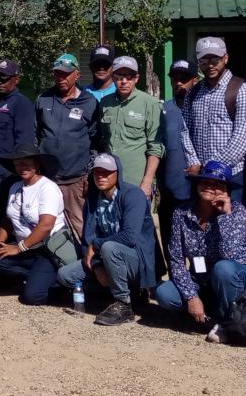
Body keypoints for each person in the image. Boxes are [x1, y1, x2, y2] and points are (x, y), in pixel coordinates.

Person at [155, 161, 246, 342]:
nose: (210, 187)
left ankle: (231, 321)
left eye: (217, 184)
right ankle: (208, 316)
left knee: (223, 269)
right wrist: (191, 297)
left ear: (226, 191)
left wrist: (224, 216)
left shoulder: (236, 212)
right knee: (165, 293)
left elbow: (231, 255)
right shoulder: (181, 213)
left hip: (240, 279)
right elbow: (176, 259)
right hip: (204, 280)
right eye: (205, 182)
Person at [58, 154, 159, 326]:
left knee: (110, 247)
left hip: (137, 259)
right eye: (97, 173)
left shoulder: (133, 195)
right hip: (105, 258)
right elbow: (87, 239)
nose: (101, 177)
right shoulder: (93, 199)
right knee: (65, 275)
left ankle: (124, 304)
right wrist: (96, 266)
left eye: (106, 172)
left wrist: (97, 245)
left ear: (117, 173)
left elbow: (129, 237)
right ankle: (117, 294)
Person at [0, 143, 76, 306]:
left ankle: (57, 284)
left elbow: (46, 225)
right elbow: (8, 218)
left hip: (47, 249)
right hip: (26, 250)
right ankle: (32, 278)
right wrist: (1, 239)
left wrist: (19, 247)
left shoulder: (47, 188)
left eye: (27, 162)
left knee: (32, 297)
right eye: (18, 163)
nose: (22, 167)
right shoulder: (15, 187)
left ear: (37, 164)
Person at [181, 36, 246, 203]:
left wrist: (211, 167)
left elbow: (242, 138)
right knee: (199, 225)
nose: (210, 64)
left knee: (228, 226)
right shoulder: (193, 93)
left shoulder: (243, 91)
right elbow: (185, 129)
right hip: (199, 175)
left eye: (215, 59)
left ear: (225, 58)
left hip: (230, 174)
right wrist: (194, 161)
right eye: (204, 60)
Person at [35, 53, 101, 240]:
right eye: (57, 74)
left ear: (77, 75)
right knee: (46, 228)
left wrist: (90, 174)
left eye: (66, 74)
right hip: (47, 180)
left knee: (80, 229)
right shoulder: (43, 99)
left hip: (76, 180)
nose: (61, 78)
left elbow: (96, 142)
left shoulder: (89, 103)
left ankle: (86, 267)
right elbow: (35, 134)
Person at [0, 59, 36, 233]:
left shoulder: (21, 104)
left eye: (4, 78)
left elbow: (24, 143)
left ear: (16, 79)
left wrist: (18, 174)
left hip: (7, 176)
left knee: (2, 221)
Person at [100, 55, 164, 198]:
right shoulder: (105, 103)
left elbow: (155, 147)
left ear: (136, 78)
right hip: (109, 180)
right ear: (112, 77)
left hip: (136, 182)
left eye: (128, 77)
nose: (123, 81)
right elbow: (103, 140)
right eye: (119, 76)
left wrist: (147, 182)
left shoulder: (150, 104)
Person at [156, 60, 198, 258]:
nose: (179, 83)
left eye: (185, 79)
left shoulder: (201, 108)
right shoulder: (162, 110)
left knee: (197, 246)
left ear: (195, 80)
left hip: (196, 192)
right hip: (169, 193)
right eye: (175, 79)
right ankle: (173, 282)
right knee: (171, 244)